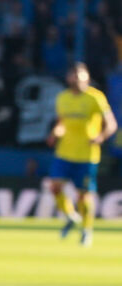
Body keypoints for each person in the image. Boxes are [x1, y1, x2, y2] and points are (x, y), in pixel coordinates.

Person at [46, 62, 118, 247]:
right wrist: (56, 132)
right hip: (64, 152)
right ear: (69, 77)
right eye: (74, 75)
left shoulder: (95, 98)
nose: (77, 79)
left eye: (81, 75)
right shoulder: (62, 98)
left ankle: (87, 230)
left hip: (86, 154)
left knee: (83, 196)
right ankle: (71, 216)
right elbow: (61, 123)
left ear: (87, 77)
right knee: (54, 186)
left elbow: (111, 124)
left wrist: (100, 137)